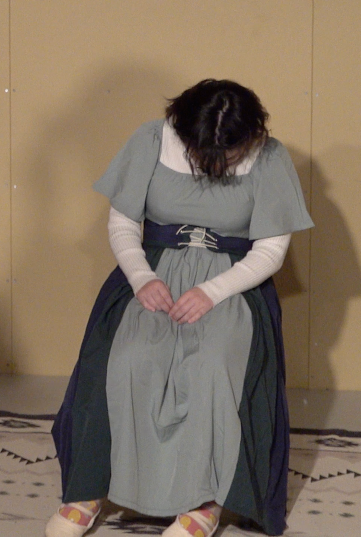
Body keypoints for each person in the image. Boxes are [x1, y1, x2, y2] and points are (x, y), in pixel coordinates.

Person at [49, 80, 313, 537]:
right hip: (153, 273)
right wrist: (141, 278)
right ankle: (90, 488)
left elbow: (271, 251)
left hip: (233, 283)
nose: (213, 164)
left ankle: (204, 500)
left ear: (251, 136)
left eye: (227, 155)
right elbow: (123, 223)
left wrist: (212, 291)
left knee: (211, 365)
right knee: (129, 357)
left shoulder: (271, 157)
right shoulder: (150, 139)